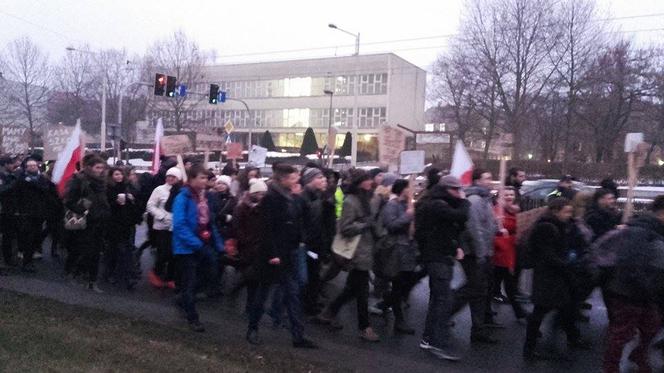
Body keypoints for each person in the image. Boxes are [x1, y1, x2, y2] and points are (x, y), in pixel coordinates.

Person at [246, 164, 317, 348]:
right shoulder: (271, 198)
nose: (296, 181)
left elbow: (297, 220)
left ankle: (298, 336)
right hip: (273, 256)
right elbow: (267, 229)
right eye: (293, 178)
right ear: (282, 179)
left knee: (293, 294)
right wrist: (273, 253)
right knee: (263, 294)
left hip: (288, 253)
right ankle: (252, 328)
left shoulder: (290, 197)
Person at [594, 196, 664, 373]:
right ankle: (610, 367)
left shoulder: (656, 229)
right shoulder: (640, 231)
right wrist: (646, 287)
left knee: (652, 326)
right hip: (629, 291)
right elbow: (630, 264)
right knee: (622, 334)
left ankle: (638, 354)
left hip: (647, 292)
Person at [316, 169, 380, 343]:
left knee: (352, 289)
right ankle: (364, 327)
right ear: (360, 182)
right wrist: (364, 224)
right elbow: (345, 228)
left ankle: (328, 312)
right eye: (367, 180)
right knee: (362, 293)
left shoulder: (368, 200)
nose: (371, 182)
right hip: (356, 253)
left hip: (365, 251)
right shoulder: (351, 201)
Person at [523, 198, 589, 361]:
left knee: (565, 308)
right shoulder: (547, 227)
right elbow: (548, 254)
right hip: (548, 276)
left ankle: (572, 338)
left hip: (554, 275)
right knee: (540, 311)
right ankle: (529, 348)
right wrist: (567, 264)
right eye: (566, 211)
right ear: (555, 211)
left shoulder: (557, 225)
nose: (569, 215)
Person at [415, 175, 469, 361]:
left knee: (438, 299)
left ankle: (429, 338)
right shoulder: (437, 205)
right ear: (447, 189)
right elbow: (460, 216)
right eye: (455, 190)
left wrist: (456, 246)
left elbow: (454, 227)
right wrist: (464, 202)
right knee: (441, 300)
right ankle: (435, 341)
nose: (458, 193)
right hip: (436, 257)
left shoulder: (439, 203)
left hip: (441, 255)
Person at [172, 164, 224, 332]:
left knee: (209, 275)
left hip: (204, 242)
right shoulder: (183, 197)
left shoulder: (205, 197)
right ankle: (192, 317)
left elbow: (209, 221)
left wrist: (218, 245)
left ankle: (185, 298)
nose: (205, 181)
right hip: (188, 247)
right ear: (192, 179)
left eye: (206, 178)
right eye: (201, 178)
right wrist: (197, 244)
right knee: (190, 280)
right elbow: (179, 225)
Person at [452, 168, 500, 344]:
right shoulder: (474, 200)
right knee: (473, 289)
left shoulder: (485, 199)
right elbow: (474, 229)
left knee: (478, 290)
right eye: (487, 178)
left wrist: (496, 228)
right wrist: (482, 252)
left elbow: (487, 226)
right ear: (478, 180)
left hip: (482, 251)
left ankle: (478, 328)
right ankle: (443, 314)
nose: (490, 181)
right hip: (473, 253)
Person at [63, 154, 111, 293]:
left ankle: (92, 280)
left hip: (100, 221)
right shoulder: (79, 180)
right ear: (89, 168)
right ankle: (71, 273)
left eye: (102, 167)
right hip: (83, 222)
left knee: (96, 252)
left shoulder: (103, 181)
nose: (100, 170)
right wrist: (83, 208)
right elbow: (69, 200)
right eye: (97, 167)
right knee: (79, 250)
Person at [380, 179, 419, 335]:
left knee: (404, 284)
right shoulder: (392, 205)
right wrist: (408, 216)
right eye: (409, 188)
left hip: (408, 249)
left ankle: (385, 303)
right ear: (403, 189)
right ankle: (399, 320)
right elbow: (391, 225)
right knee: (398, 285)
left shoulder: (408, 205)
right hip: (397, 250)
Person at [231, 178, 268, 315]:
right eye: (259, 193)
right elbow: (237, 226)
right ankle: (248, 303)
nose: (262, 196)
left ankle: (249, 304)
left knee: (253, 277)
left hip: (258, 246)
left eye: (264, 194)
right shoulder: (242, 207)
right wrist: (245, 239)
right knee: (250, 275)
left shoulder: (265, 208)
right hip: (246, 245)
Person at [491, 186, 527, 321]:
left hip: (512, 250)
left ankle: (486, 312)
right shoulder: (497, 212)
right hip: (502, 251)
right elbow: (495, 233)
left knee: (498, 283)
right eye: (506, 195)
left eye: (511, 194)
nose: (509, 197)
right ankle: (520, 312)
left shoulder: (515, 211)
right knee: (509, 283)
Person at [146, 167, 183, 289]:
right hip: (162, 226)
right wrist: (161, 216)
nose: (171, 178)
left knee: (174, 254)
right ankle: (156, 274)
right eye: (169, 176)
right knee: (163, 252)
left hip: (176, 227)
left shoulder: (182, 191)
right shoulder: (159, 190)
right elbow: (150, 206)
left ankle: (170, 277)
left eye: (174, 177)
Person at [11, 157, 49, 273]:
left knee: (36, 237)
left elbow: (45, 190)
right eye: (30, 166)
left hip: (39, 213)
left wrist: (31, 182)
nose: (32, 167)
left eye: (34, 165)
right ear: (26, 168)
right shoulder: (21, 179)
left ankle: (29, 259)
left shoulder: (41, 178)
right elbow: (16, 194)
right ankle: (26, 262)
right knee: (28, 237)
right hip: (26, 212)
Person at [299, 167, 329, 315]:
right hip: (307, 244)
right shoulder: (303, 197)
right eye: (319, 178)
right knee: (308, 275)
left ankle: (310, 303)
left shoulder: (318, 196)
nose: (323, 180)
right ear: (310, 180)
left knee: (314, 274)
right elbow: (303, 222)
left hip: (316, 244)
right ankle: (305, 305)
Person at [105, 167, 140, 289]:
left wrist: (131, 199)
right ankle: (110, 273)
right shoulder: (108, 188)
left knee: (125, 250)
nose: (119, 176)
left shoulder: (127, 187)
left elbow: (134, 204)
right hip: (113, 224)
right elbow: (106, 206)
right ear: (111, 176)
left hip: (126, 223)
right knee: (113, 250)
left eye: (120, 174)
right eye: (116, 174)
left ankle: (128, 276)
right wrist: (116, 202)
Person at [0, 156, 19, 268]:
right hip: (3, 210)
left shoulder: (12, 176)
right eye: (12, 164)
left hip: (9, 210)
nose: (14, 166)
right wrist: (13, 185)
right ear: (5, 164)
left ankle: (8, 260)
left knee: (9, 236)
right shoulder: (2, 176)